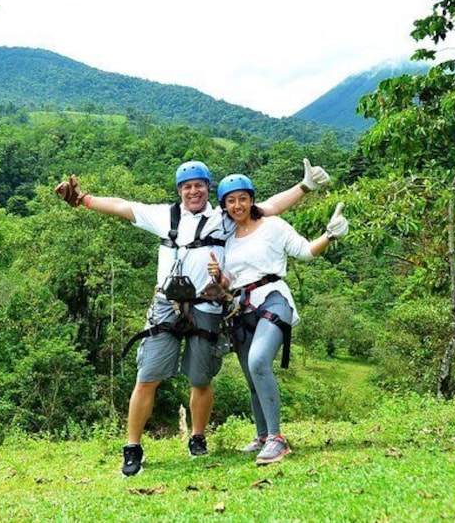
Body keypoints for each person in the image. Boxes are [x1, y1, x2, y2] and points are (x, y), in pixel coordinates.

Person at [55, 159, 330, 477]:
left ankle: (198, 438)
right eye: (187, 187)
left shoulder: (223, 218)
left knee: (201, 378)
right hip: (166, 305)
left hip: (206, 307)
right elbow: (121, 206)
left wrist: (304, 186)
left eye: (199, 185)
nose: (193, 191)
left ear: (208, 189)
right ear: (179, 191)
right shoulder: (165, 215)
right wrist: (84, 200)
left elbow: (266, 208)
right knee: (148, 377)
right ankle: (132, 447)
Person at [206, 173, 348, 465]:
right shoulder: (228, 238)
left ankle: (277, 439)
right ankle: (262, 436)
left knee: (259, 361)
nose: (237, 205)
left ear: (252, 200)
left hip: (273, 298)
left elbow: (305, 251)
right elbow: (229, 281)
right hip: (241, 307)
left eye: (242, 199)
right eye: (231, 201)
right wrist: (218, 277)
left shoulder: (273, 226)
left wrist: (330, 235)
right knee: (250, 374)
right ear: (224, 206)